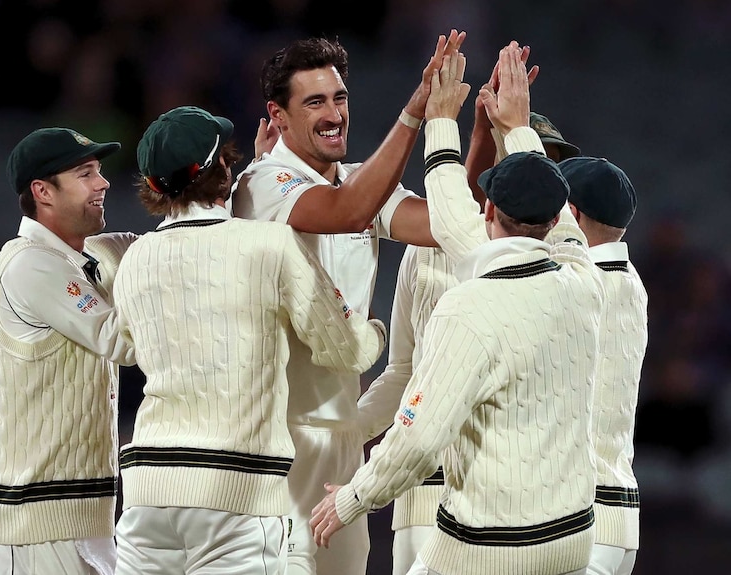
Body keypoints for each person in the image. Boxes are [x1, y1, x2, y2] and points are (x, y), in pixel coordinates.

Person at [311, 45, 605, 575]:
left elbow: (420, 439)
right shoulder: (583, 279)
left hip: (487, 537)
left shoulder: (469, 304)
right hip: (572, 536)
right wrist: (512, 126)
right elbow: (530, 222)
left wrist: (440, 123)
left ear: (490, 208)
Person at [111, 105, 388, 575]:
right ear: (224, 168)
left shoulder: (135, 258)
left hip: (146, 498)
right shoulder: (269, 245)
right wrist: (374, 328)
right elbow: (347, 349)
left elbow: (129, 345)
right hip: (234, 494)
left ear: (154, 186)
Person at [230, 30, 464, 575]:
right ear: (277, 115)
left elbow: (446, 226)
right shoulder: (262, 183)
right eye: (314, 102)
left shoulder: (360, 181)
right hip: (275, 435)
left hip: (341, 435)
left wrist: (468, 132)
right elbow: (348, 212)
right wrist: (414, 115)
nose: (334, 113)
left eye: (339, 98)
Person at [354, 42, 548, 575]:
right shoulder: (426, 252)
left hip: (504, 502)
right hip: (420, 498)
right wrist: (344, 433)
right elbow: (401, 372)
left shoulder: (554, 272)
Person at [0, 127, 138, 575]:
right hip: (33, 525)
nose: (102, 183)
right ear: (42, 191)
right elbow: (123, 340)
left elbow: (162, 247)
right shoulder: (30, 263)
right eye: (85, 173)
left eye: (99, 172)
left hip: (73, 520)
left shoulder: (83, 256)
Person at [558, 156, 647, 575]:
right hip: (621, 521)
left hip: (582, 527)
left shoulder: (581, 285)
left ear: (571, 215)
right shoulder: (632, 281)